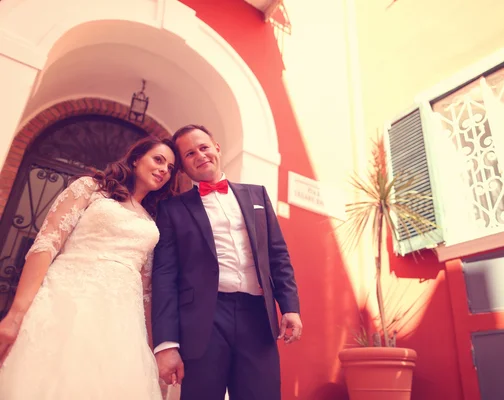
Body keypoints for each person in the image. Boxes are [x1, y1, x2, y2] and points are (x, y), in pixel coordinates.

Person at [0, 136, 179, 400]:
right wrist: (16, 315)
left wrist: (153, 349)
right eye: (158, 159)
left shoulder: (152, 220)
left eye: (171, 168)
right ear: (135, 158)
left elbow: (146, 289)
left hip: (122, 322)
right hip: (67, 300)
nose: (164, 170)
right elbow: (46, 244)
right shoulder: (91, 188)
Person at [152, 124, 302, 400]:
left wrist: (289, 306)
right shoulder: (171, 210)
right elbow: (164, 277)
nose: (200, 155)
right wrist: (166, 344)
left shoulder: (257, 195)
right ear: (183, 168)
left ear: (217, 148)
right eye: (189, 154)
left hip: (257, 315)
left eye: (204, 147)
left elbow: (277, 254)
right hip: (203, 321)